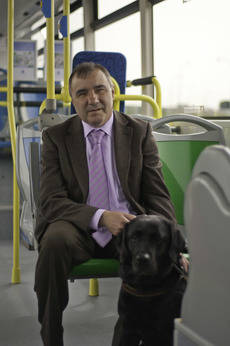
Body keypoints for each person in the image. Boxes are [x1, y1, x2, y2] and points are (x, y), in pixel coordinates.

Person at [34, 62, 178, 346]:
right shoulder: (56, 138)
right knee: (54, 241)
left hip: (130, 228)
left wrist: (153, 229)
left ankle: (128, 334)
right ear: (73, 101)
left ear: (113, 92)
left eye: (100, 89)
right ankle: (51, 336)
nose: (93, 99)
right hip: (80, 228)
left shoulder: (139, 132)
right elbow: (51, 201)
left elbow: (159, 197)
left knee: (158, 253)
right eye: (83, 93)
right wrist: (100, 217)